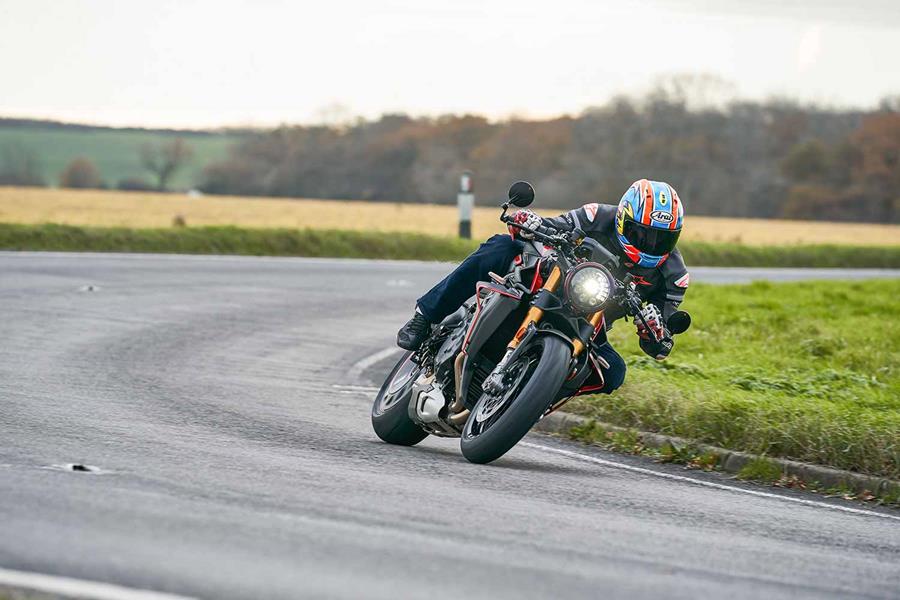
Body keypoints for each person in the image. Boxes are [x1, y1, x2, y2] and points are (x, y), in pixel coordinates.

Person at [397, 179, 689, 395]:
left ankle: (530, 396)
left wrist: (655, 330)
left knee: (613, 374)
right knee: (501, 246)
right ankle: (425, 315)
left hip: (590, 325)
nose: (649, 244)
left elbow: (659, 345)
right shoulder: (597, 216)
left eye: (660, 239)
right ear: (624, 219)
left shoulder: (674, 276)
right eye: (642, 233)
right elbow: (553, 226)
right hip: (553, 283)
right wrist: (529, 221)